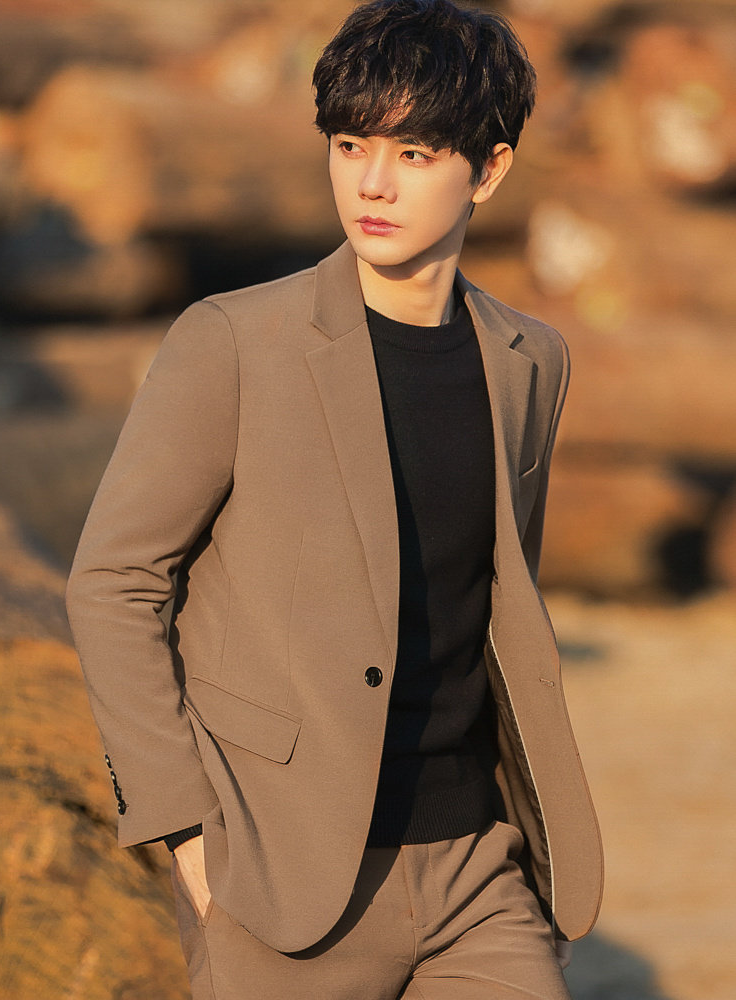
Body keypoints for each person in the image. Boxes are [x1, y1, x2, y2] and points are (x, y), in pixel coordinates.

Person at [66, 1, 603, 997]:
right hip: (280, 873)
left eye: (414, 154)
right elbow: (113, 580)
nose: (371, 183)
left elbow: (495, 606)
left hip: (477, 872)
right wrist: (187, 834)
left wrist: (532, 851)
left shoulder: (531, 360)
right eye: (352, 145)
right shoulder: (233, 342)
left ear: (488, 171)